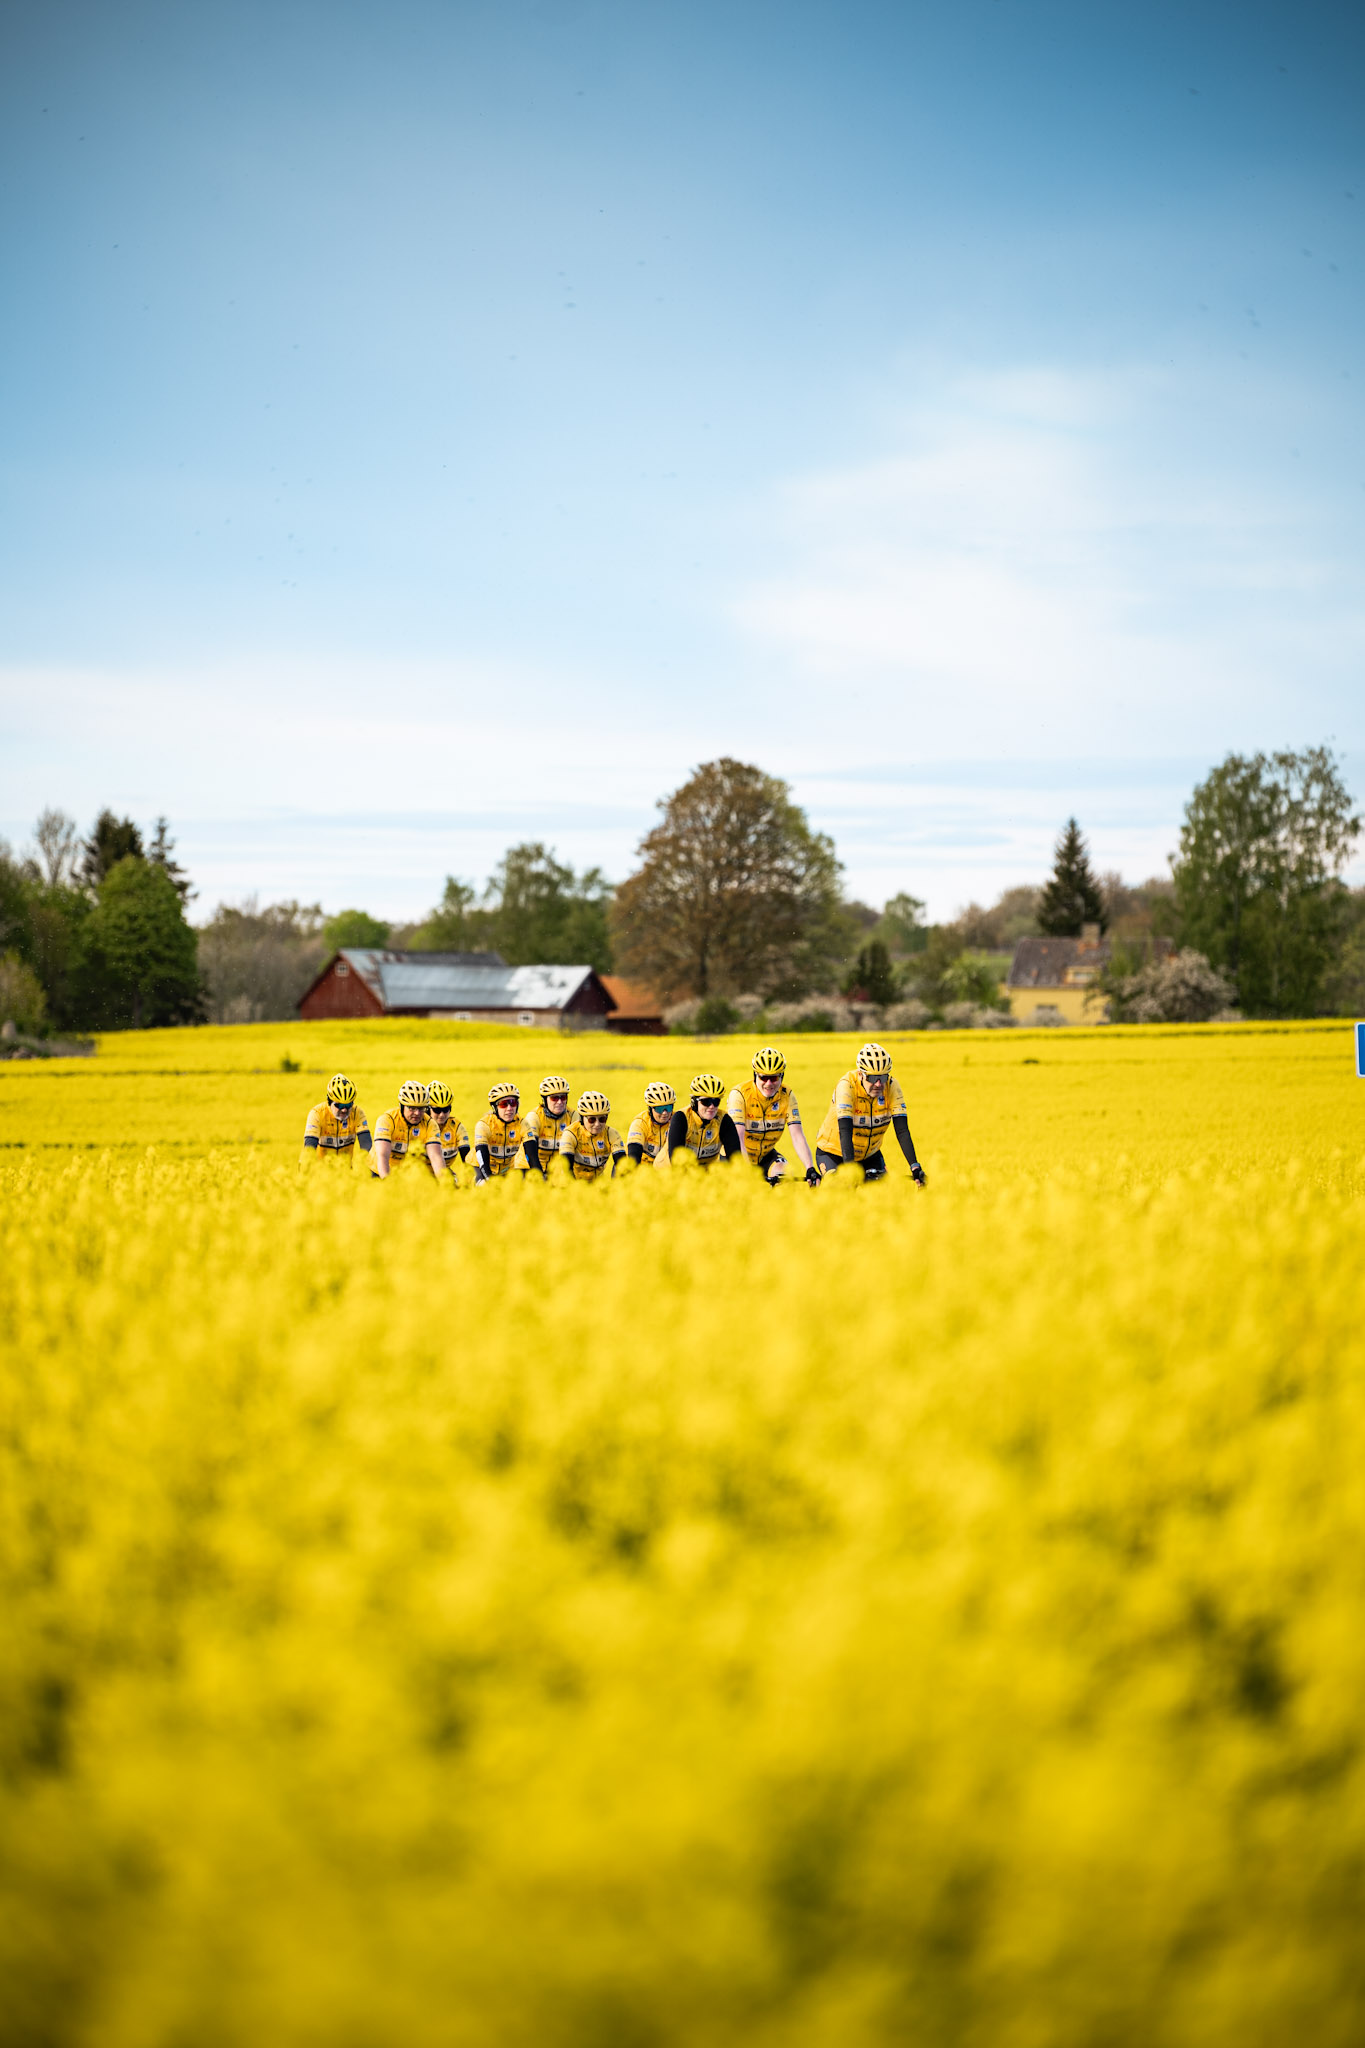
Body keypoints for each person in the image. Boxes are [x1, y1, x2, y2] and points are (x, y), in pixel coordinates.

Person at [815, 1041, 927, 1184]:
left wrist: (915, 1167)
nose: (879, 1084)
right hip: (834, 1153)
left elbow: (902, 1131)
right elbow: (845, 1131)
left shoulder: (892, 1086)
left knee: (884, 1192)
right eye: (873, 1078)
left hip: (869, 1155)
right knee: (842, 1188)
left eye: (883, 1077)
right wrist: (850, 1170)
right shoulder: (847, 1086)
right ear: (860, 1074)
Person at [728, 1046, 819, 1186]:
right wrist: (747, 1171)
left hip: (765, 1154)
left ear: (782, 1076)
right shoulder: (740, 1094)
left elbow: (797, 1136)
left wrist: (810, 1167)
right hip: (737, 1154)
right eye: (763, 1077)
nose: (768, 1083)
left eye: (774, 1078)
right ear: (755, 1075)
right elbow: (738, 1138)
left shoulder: (787, 1095)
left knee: (785, 1174)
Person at [657, 1071, 742, 1168]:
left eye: (716, 1101)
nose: (711, 1106)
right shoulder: (681, 1118)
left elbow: (735, 1158)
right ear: (694, 1101)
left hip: (703, 1173)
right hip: (667, 1171)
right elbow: (676, 1159)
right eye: (706, 1101)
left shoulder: (724, 1120)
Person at [373, 1080, 447, 1180]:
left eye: (421, 1108)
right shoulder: (387, 1120)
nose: (417, 1113)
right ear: (402, 1106)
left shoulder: (430, 1124)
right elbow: (383, 1156)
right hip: (379, 1171)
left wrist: (444, 1181)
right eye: (412, 1108)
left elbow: (436, 1157)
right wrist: (387, 1181)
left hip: (406, 1174)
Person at [299, 1072, 373, 1168]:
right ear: (329, 1102)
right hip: (320, 1170)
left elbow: (367, 1146)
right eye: (339, 1105)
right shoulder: (317, 1113)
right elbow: (309, 1148)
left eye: (348, 1105)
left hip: (345, 1169)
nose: (344, 1110)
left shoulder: (357, 1113)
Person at [558, 1090, 626, 1179]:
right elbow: (566, 1169)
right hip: (573, 1181)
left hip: (597, 1182)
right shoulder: (570, 1134)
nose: (597, 1124)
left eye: (602, 1119)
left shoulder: (611, 1133)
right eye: (592, 1120)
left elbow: (622, 1164)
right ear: (582, 1118)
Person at [473, 1082, 526, 1183]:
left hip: (506, 1169)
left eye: (513, 1103)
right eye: (503, 1104)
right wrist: (489, 1180)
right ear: (495, 1107)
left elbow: (531, 1154)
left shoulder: (523, 1123)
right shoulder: (484, 1125)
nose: (509, 1108)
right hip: (480, 1167)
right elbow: (482, 1157)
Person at [522, 1073, 571, 1177]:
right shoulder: (534, 1117)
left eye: (563, 1097)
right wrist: (539, 1175)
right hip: (536, 1167)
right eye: (554, 1098)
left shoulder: (573, 1116)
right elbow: (531, 1152)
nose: (559, 1102)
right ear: (545, 1099)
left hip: (560, 1171)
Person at [426, 1078, 470, 1178]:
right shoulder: (420, 1126)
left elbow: (466, 1158)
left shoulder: (456, 1126)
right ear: (427, 1109)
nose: (442, 1114)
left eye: (446, 1109)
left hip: (444, 1172)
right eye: (437, 1110)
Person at [626, 1081, 676, 1165]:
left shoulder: (677, 1120)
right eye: (659, 1109)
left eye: (668, 1107)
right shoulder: (640, 1123)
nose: (665, 1113)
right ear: (650, 1108)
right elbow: (634, 1154)